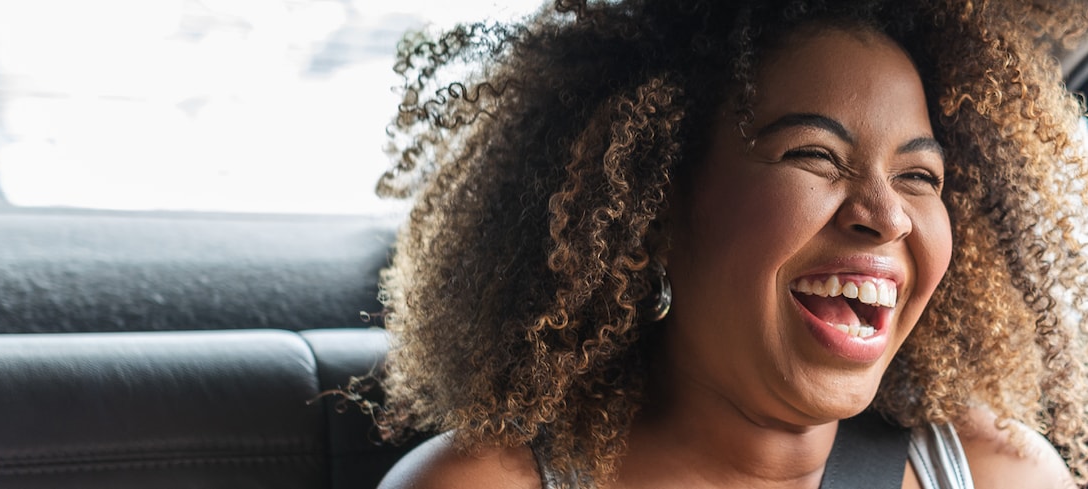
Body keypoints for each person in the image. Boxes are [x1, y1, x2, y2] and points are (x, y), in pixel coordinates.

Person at [369, 0, 1088, 487]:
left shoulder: (995, 471)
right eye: (814, 155)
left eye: (918, 174)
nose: (887, 214)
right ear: (656, 208)